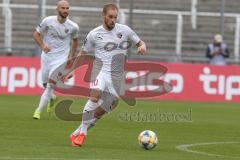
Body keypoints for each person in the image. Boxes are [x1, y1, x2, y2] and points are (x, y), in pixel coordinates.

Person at [70, 3, 147, 147]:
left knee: (104, 109)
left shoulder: (125, 31)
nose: (113, 20)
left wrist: (142, 46)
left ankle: (76, 132)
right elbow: (82, 53)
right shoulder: (94, 34)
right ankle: (82, 134)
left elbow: (140, 42)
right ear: (103, 16)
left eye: (115, 17)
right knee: (95, 95)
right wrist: (72, 70)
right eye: (110, 17)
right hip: (99, 71)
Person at [33, 0, 79, 119]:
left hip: (61, 59)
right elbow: (36, 34)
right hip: (47, 58)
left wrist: (71, 56)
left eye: (67, 8)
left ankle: (38, 111)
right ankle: (52, 98)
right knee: (44, 84)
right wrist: (43, 46)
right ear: (57, 9)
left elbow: (75, 41)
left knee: (50, 85)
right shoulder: (48, 21)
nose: (65, 10)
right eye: (63, 8)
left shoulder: (73, 26)